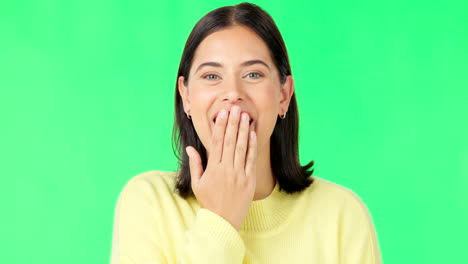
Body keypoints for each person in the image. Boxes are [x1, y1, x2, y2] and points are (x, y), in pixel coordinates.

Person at [110, 2, 382, 263]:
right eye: (211, 76)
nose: (233, 94)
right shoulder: (147, 202)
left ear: (284, 95)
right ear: (186, 97)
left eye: (253, 74)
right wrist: (221, 218)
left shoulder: (342, 215)